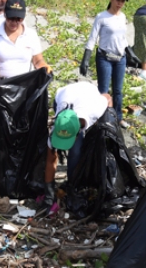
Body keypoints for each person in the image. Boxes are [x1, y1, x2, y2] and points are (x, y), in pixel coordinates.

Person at [0, 0, 52, 192]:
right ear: (5, 15)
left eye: (18, 19)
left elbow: (38, 61)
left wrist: (45, 68)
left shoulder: (31, 35)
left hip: (22, 91)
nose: (14, 23)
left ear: (23, 17)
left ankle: (16, 172)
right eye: (11, 18)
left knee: (20, 132)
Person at [41, 82, 112, 210]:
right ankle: (70, 185)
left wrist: (109, 121)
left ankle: (72, 184)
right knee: (60, 150)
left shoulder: (95, 109)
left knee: (76, 151)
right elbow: (50, 159)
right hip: (64, 95)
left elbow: (107, 97)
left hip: (88, 93)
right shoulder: (58, 124)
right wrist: (49, 194)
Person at [80, 0, 130, 128]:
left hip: (120, 58)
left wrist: (130, 53)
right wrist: (85, 58)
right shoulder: (102, 17)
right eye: (117, 0)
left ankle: (118, 117)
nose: (120, 3)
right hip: (105, 57)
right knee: (103, 90)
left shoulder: (123, 17)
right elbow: (92, 38)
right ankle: (102, 118)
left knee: (118, 90)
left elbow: (123, 39)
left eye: (123, 1)